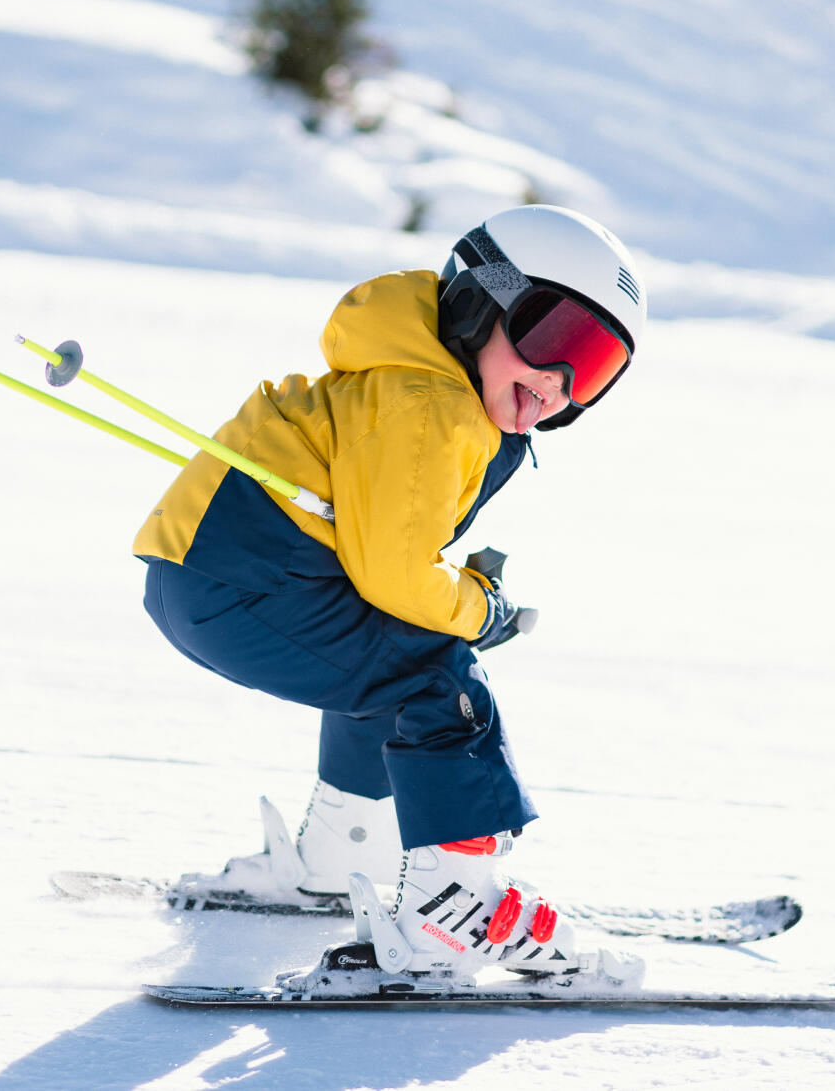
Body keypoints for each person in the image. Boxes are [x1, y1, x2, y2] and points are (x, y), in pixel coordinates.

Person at [134, 204, 648, 975]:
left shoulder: (427, 382)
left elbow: (385, 564)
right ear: (483, 299)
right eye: (554, 339)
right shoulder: (430, 403)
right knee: (440, 678)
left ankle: (341, 853)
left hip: (219, 571)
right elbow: (398, 576)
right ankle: (454, 910)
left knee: (391, 656)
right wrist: (481, 607)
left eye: (595, 367)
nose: (559, 380)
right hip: (244, 578)